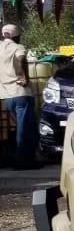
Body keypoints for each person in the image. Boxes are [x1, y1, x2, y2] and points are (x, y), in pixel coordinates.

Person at [0, 23, 39, 170]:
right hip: (21, 93)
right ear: (16, 36)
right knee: (24, 128)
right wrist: (24, 76)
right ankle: (22, 161)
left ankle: (29, 159)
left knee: (24, 126)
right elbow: (22, 59)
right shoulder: (18, 47)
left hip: (7, 96)